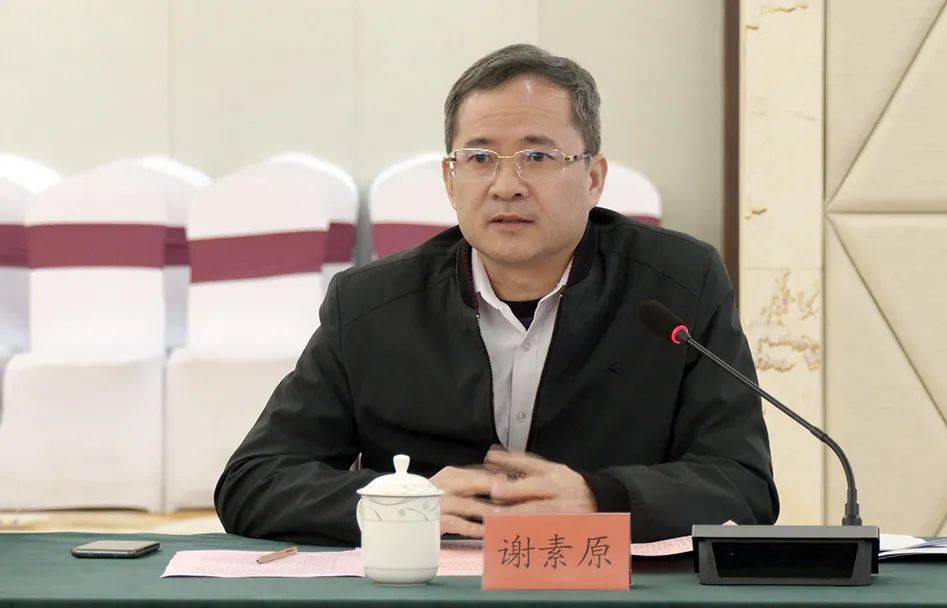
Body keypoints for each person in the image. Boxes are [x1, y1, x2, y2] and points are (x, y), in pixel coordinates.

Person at [215, 43, 778, 546]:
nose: (506, 186)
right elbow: (253, 481)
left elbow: (743, 484)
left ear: (593, 178)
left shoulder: (679, 285)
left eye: (538, 157)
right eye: (480, 159)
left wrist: (601, 498)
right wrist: (400, 504)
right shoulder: (369, 305)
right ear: (450, 180)